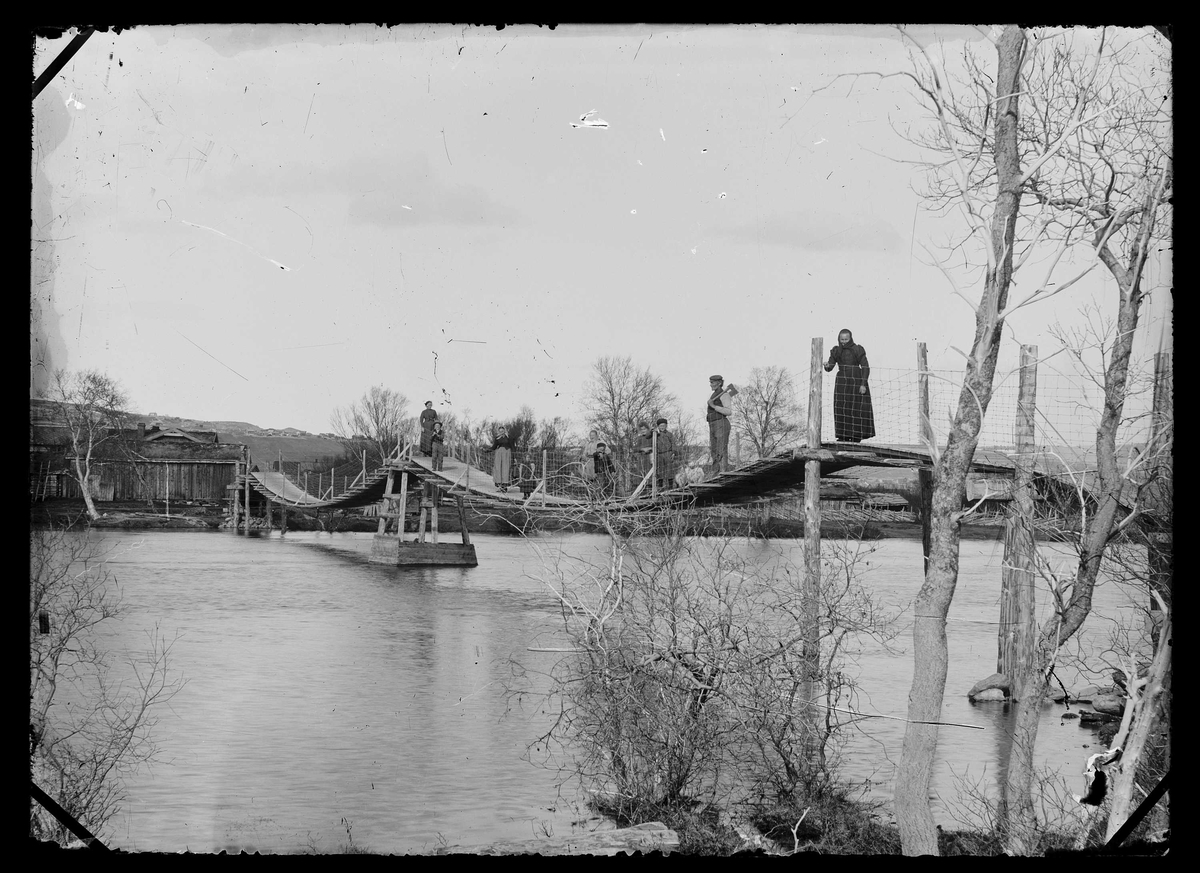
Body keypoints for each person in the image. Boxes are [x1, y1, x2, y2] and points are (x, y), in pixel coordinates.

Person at [823, 329, 876, 442]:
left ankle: (856, 436)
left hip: (856, 380)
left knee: (857, 408)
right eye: (842, 339)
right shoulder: (836, 350)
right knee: (841, 407)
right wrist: (827, 365)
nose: (844, 342)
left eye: (846, 339)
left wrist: (863, 384)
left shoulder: (857, 349)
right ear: (839, 339)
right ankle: (843, 435)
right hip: (842, 381)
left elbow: (865, 367)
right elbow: (830, 366)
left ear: (850, 338)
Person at [706, 375, 734, 476]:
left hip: (721, 423)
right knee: (714, 449)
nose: (710, 385)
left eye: (712, 383)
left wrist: (713, 406)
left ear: (719, 383)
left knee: (721, 449)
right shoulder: (714, 395)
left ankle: (723, 472)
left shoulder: (724, 395)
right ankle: (715, 472)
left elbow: (728, 411)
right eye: (710, 382)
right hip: (712, 424)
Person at [653, 418, 676, 491]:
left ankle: (670, 487)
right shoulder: (655, 434)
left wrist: (673, 453)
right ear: (658, 426)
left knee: (670, 470)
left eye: (664, 425)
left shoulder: (669, 434)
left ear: (666, 426)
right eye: (660, 426)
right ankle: (660, 487)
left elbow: (673, 444)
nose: (662, 427)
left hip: (668, 453)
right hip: (659, 454)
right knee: (660, 470)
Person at [491, 426, 514, 492]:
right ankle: (500, 486)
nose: (501, 432)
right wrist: (487, 450)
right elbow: (494, 447)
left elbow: (512, 447)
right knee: (499, 469)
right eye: (500, 431)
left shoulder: (509, 438)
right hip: (499, 454)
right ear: (499, 432)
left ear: (505, 431)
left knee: (506, 469)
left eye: (502, 431)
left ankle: (504, 487)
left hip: (507, 454)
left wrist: (514, 456)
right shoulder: (497, 438)